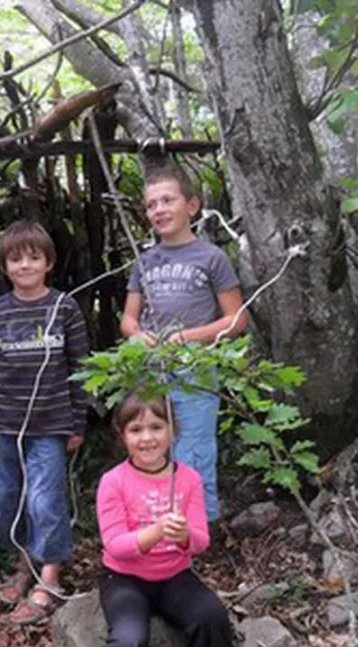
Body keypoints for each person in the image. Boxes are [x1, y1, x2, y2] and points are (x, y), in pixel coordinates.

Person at [119, 163, 247, 524]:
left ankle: (197, 529)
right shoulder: (145, 261)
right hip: (149, 369)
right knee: (149, 446)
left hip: (195, 370)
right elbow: (127, 318)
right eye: (151, 205)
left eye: (167, 200)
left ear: (191, 206)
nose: (159, 210)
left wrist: (187, 339)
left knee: (193, 450)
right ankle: (150, 526)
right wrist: (137, 335)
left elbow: (237, 319)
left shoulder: (211, 257)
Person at [0, 220, 90, 624]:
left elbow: (81, 367)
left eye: (33, 257)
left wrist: (78, 422)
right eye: (15, 258)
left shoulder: (65, 308)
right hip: (5, 427)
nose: (25, 265)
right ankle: (23, 564)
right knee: (5, 503)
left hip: (51, 425)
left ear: (49, 262)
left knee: (46, 501)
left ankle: (50, 577)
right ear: (5, 266)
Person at [95, 392, 233, 647]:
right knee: (129, 639)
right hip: (124, 580)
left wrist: (184, 537)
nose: (147, 438)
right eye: (136, 430)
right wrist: (157, 532)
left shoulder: (188, 478)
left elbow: (201, 540)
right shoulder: (113, 481)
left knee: (211, 617)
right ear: (123, 436)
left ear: (173, 430)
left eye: (156, 427)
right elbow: (115, 545)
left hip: (175, 576)